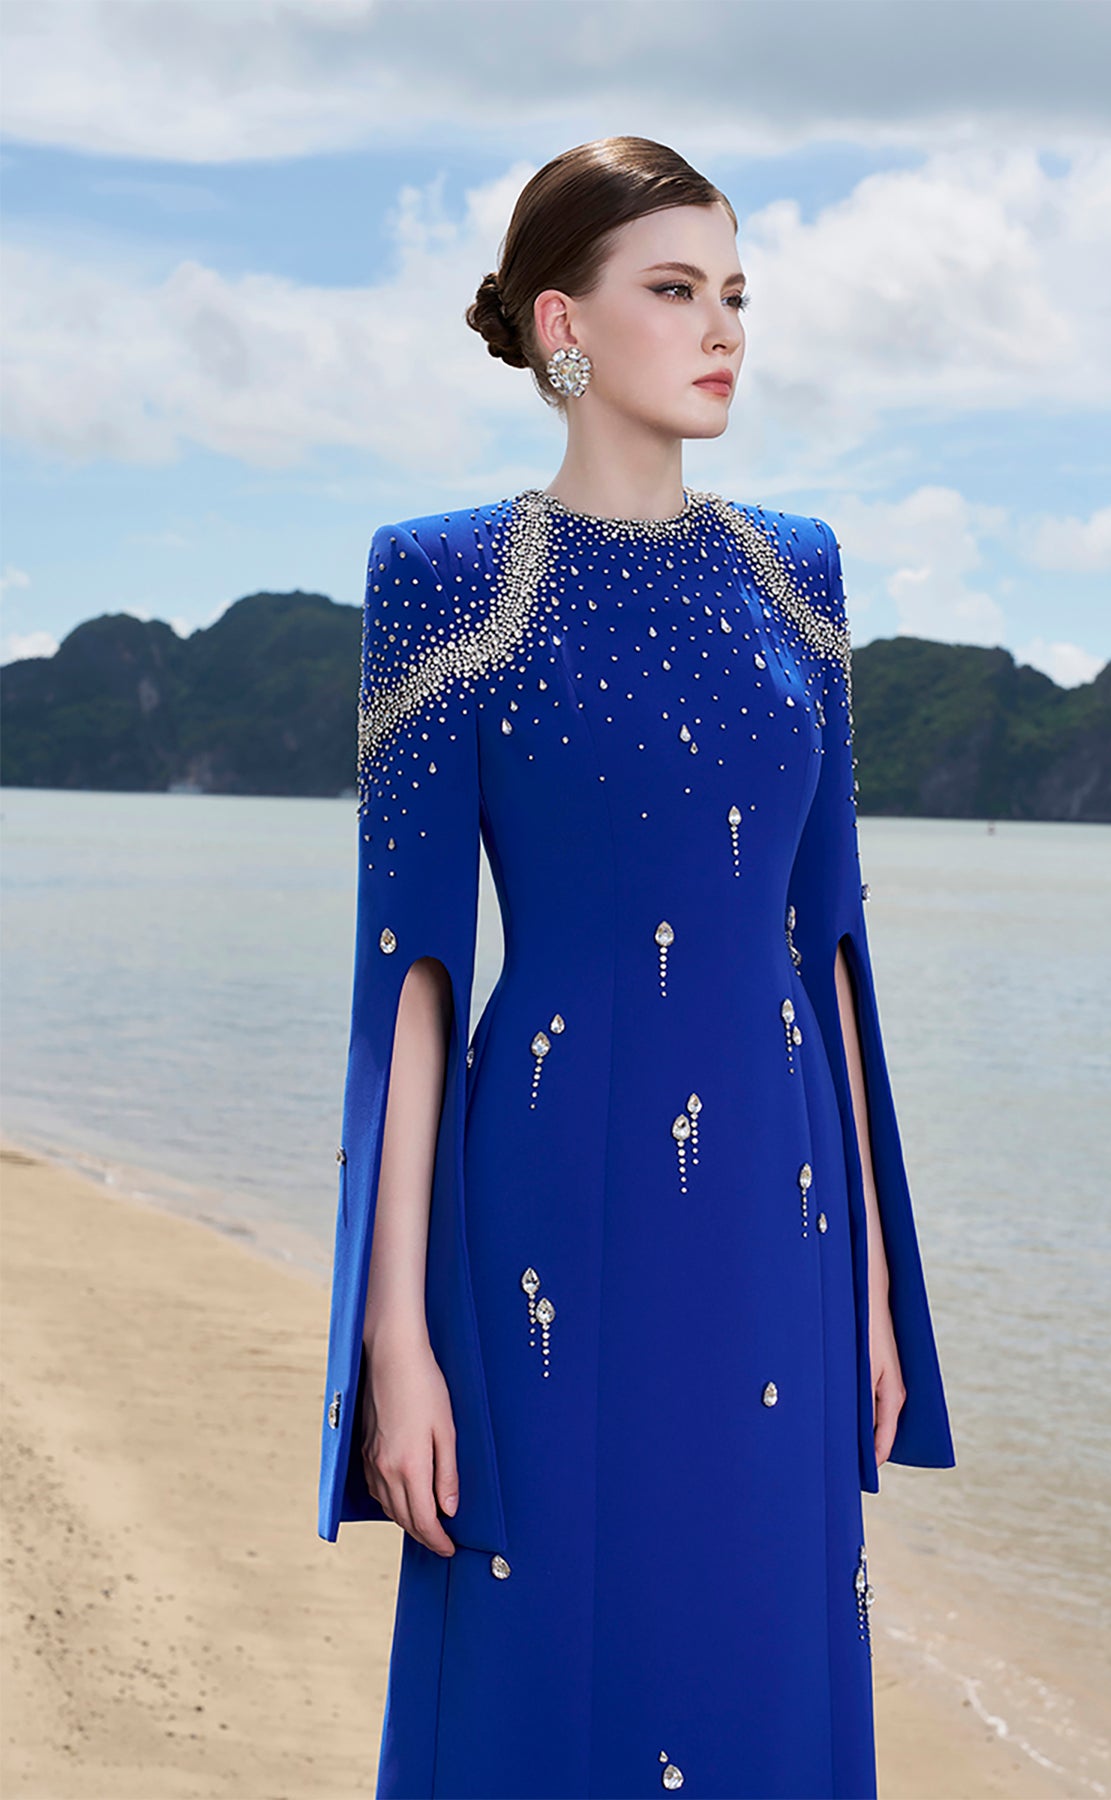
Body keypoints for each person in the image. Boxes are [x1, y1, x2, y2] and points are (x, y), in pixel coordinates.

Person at [317, 134, 954, 1800]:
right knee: (544, 1650)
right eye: (675, 290)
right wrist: (397, 1339)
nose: (723, 327)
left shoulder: (799, 575)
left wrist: (876, 1289)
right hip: (546, 1200)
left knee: (762, 1636)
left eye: (735, 293)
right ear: (563, 325)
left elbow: (830, 945)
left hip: (782, 1216)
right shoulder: (444, 579)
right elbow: (413, 982)